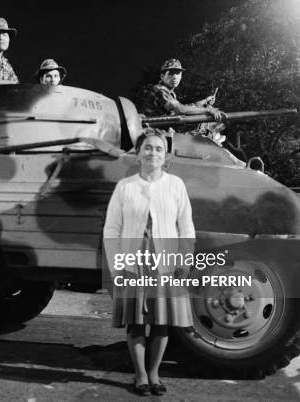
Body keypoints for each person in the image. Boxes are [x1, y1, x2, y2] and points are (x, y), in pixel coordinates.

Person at [103, 130, 195, 396]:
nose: (152, 152)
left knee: (161, 321)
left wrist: (184, 261)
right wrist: (116, 265)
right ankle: (140, 374)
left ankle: (155, 373)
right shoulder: (125, 186)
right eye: (147, 148)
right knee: (136, 321)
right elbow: (112, 229)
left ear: (165, 155)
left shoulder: (176, 184)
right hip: (133, 260)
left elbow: (186, 227)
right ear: (138, 152)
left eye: (158, 148)